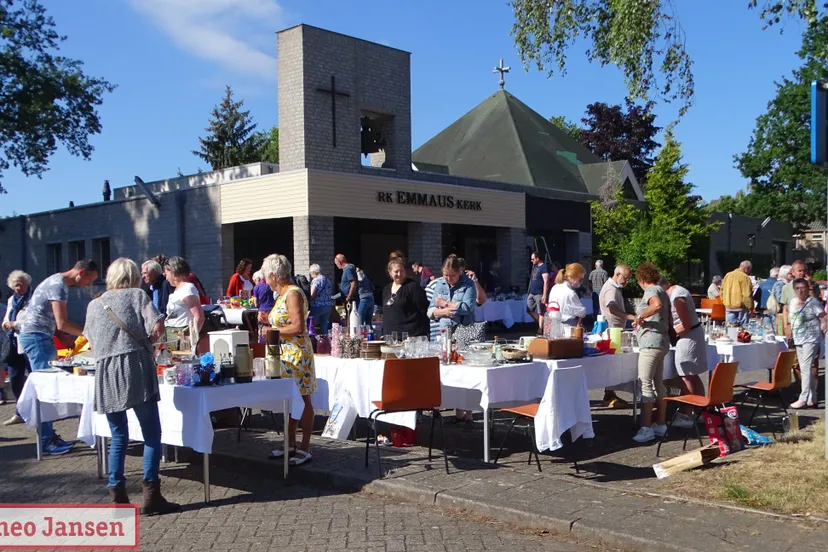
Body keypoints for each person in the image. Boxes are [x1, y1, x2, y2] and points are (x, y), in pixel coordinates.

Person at [83, 258, 180, 514]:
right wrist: (148, 341)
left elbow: (90, 341)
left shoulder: (94, 304)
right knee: (151, 433)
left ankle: (117, 497)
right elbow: (158, 326)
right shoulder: (137, 295)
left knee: (118, 436)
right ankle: (151, 495)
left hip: (105, 371)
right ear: (134, 276)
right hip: (135, 365)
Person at [19, 259, 99, 454]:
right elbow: (62, 322)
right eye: (90, 279)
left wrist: (65, 338)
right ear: (80, 273)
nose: (89, 284)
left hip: (40, 336)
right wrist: (89, 333)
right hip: (37, 338)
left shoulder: (56, 282)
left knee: (48, 387)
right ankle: (47, 441)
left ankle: (49, 437)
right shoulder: (58, 286)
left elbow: (53, 321)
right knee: (45, 390)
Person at [262, 254, 315, 465]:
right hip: (282, 354)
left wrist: (272, 329)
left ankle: (305, 446)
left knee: (303, 399)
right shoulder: (281, 294)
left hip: (295, 353)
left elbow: (298, 326)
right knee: (288, 398)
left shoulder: (292, 293)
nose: (266, 281)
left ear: (274, 275)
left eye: (267, 276)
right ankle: (290, 443)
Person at [631, 263, 671, 443]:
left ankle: (646, 428)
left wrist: (640, 317)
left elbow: (656, 305)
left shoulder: (651, 291)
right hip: (662, 341)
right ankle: (660, 423)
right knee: (658, 383)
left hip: (651, 343)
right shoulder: (663, 290)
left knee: (645, 384)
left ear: (641, 279)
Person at [661, 276, 707, 428]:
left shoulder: (677, 297)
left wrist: (667, 334)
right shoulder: (676, 293)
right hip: (690, 335)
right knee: (691, 375)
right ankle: (700, 410)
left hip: (688, 337)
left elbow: (685, 325)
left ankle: (688, 414)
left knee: (686, 376)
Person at [598, 265, 635, 408]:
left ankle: (610, 393)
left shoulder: (613, 288)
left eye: (628, 279)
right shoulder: (611, 289)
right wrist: (630, 316)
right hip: (612, 330)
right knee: (612, 364)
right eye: (625, 278)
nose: (626, 281)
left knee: (613, 364)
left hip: (615, 329)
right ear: (617, 274)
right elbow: (612, 308)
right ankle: (609, 395)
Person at [788, 277, 826, 409]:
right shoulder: (793, 302)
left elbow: (824, 317)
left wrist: (822, 331)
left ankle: (803, 397)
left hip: (811, 337)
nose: (800, 291)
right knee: (805, 367)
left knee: (805, 367)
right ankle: (812, 397)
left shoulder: (813, 302)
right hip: (799, 338)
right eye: (797, 288)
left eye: (802, 288)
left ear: (807, 288)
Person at [3, 270, 32, 425]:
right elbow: (7, 317)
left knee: (33, 376)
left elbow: (33, 320)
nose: (18, 288)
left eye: (20, 284)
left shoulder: (32, 299)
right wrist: (6, 325)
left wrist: (15, 324)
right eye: (15, 285)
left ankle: (37, 411)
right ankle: (19, 411)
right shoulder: (11, 300)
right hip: (13, 343)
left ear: (27, 284)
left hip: (28, 342)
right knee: (15, 378)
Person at [427, 255, 477, 343]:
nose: (449, 279)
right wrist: (444, 312)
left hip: (463, 332)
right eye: (446, 275)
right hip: (443, 333)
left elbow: (468, 307)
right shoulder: (440, 283)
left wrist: (445, 304)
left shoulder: (468, 284)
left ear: (459, 272)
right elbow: (430, 311)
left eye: (452, 275)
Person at [163, 256, 205, 350]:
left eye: (166, 274)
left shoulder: (188, 289)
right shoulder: (178, 290)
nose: (166, 278)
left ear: (173, 272)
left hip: (181, 336)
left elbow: (200, 317)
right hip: (171, 335)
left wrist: (190, 339)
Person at [382, 257, 429, 337]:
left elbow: (423, 310)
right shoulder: (386, 289)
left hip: (409, 337)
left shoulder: (413, 287)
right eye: (396, 272)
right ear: (390, 272)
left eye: (402, 271)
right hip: (390, 337)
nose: (399, 274)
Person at [334, 254, 374, 326]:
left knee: (356, 320)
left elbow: (353, 283)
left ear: (339, 261)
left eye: (336, 263)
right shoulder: (347, 269)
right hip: (348, 298)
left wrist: (349, 296)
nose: (336, 265)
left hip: (352, 299)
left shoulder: (348, 269)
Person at [547, 263, 587, 328]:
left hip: (553, 324)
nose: (581, 282)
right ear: (572, 277)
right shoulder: (570, 293)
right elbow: (582, 312)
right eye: (580, 279)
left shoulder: (555, 287)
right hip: (568, 325)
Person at [721, 261, 753, 326]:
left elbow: (722, 291)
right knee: (743, 330)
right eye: (749, 270)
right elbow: (747, 295)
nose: (749, 272)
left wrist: (725, 302)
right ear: (746, 268)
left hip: (728, 306)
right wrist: (750, 307)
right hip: (741, 307)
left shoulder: (728, 275)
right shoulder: (745, 277)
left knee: (731, 329)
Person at [526, 252, 550, 333]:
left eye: (533, 259)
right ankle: (543, 324)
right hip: (532, 292)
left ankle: (540, 329)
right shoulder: (535, 267)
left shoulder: (543, 267)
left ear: (537, 258)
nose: (531, 260)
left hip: (539, 293)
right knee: (529, 309)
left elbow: (546, 281)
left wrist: (544, 294)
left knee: (541, 312)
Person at [308, 264, 333, 333]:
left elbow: (312, 294)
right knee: (324, 326)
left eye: (311, 274)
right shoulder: (327, 280)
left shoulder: (316, 281)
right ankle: (325, 341)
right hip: (328, 305)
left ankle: (312, 341)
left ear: (313, 272)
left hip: (317, 306)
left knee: (310, 324)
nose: (311, 276)